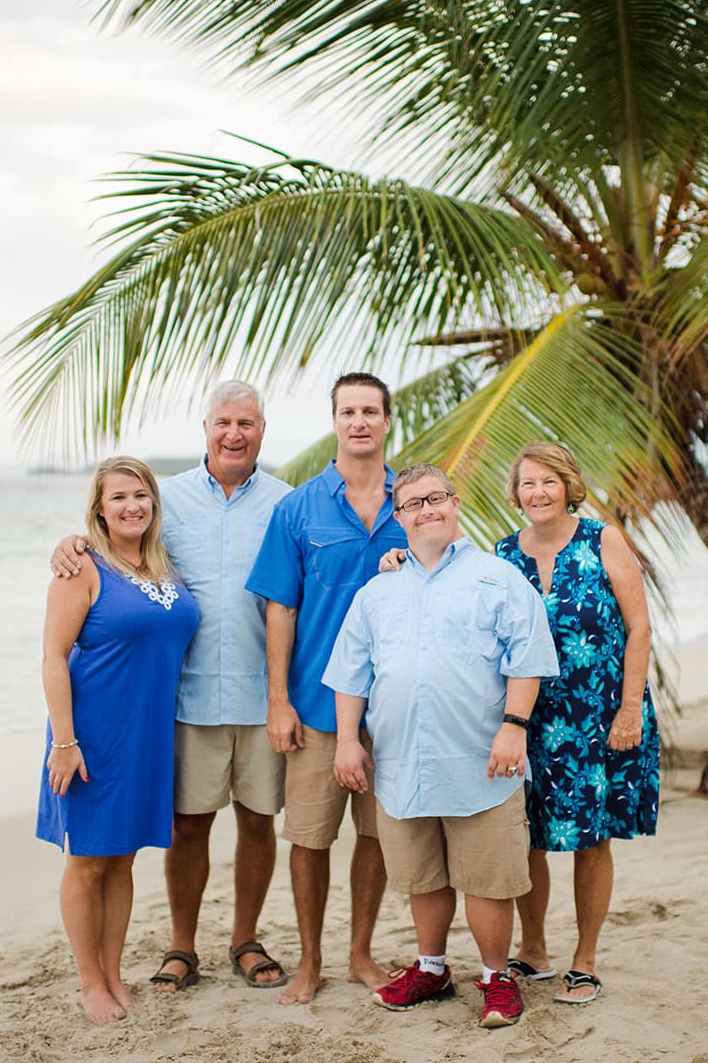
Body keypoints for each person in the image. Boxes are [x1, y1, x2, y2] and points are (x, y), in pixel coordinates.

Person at [49, 381, 293, 994]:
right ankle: (182, 946)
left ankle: (245, 938)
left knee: (259, 822)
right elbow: (114, 550)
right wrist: (72, 541)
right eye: (223, 422)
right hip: (180, 703)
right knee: (187, 827)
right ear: (205, 427)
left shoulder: (287, 503)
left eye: (247, 422)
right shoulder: (168, 498)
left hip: (265, 696)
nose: (234, 433)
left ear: (262, 428)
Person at [326, 463, 558, 1028]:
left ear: (455, 504)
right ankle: (431, 969)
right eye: (412, 503)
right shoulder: (378, 592)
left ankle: (497, 978)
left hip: (483, 760)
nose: (426, 510)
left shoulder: (498, 578)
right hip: (403, 764)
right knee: (423, 875)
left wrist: (513, 726)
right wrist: (348, 742)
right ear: (397, 516)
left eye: (436, 499)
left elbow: (527, 658)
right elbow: (352, 675)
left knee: (487, 877)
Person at [245, 371, 408, 1005]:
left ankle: (360, 953)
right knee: (310, 838)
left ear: (387, 420)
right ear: (334, 420)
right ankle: (311, 961)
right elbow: (279, 608)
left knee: (376, 836)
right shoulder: (298, 508)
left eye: (371, 410)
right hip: (314, 706)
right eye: (348, 411)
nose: (360, 421)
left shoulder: (416, 501)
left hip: (394, 710)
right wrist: (278, 700)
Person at [36, 456, 200, 1023]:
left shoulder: (164, 567)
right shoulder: (81, 567)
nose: (132, 505)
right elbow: (54, 657)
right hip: (91, 735)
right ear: (99, 511)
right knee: (87, 861)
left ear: (153, 503)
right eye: (119, 497)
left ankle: (113, 973)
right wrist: (64, 742)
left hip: (149, 734)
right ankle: (90, 983)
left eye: (141, 495)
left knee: (123, 860)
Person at [495, 442, 659, 1005]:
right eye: (527, 483)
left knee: (592, 839)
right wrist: (395, 562)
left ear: (568, 485)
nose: (537, 492)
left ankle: (584, 960)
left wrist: (630, 709)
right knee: (528, 838)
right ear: (515, 494)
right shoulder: (501, 555)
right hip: (529, 719)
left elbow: (639, 628)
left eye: (548, 481)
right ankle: (534, 949)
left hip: (602, 716)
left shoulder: (602, 539)